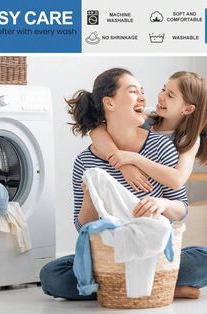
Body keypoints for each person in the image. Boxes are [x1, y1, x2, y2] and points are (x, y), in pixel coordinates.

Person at [40, 67, 189, 301]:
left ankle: (116, 288)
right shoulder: (85, 161)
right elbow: (82, 228)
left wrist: (160, 204)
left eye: (142, 91)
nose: (143, 96)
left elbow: (181, 208)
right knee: (51, 275)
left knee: (202, 257)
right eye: (133, 91)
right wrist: (91, 196)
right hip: (110, 252)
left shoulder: (161, 146)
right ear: (109, 103)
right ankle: (160, 286)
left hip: (153, 246)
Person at [89, 70, 207, 299]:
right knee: (56, 273)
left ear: (188, 108)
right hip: (127, 216)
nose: (161, 96)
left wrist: (134, 159)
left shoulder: (188, 140)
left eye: (170, 95)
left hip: (159, 216)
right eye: (163, 88)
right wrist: (122, 163)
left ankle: (140, 285)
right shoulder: (147, 120)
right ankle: (163, 286)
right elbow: (96, 131)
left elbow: (176, 179)